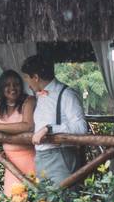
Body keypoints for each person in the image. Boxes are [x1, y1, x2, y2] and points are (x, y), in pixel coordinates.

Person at [21, 55, 88, 186]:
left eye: (27, 78)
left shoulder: (67, 94)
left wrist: (49, 128)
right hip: (41, 158)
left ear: (35, 77)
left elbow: (81, 128)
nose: (27, 84)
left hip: (60, 158)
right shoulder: (39, 95)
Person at [0, 69, 36, 195]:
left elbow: (28, 126)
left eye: (16, 84)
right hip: (9, 162)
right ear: (1, 88)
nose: (12, 88)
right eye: (7, 85)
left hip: (29, 159)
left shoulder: (29, 101)